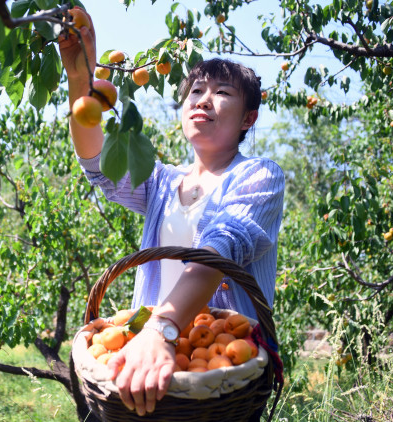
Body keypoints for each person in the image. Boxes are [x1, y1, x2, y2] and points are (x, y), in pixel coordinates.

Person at [59, 8, 285, 418]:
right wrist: (80, 82)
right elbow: (97, 165)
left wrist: (161, 331)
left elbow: (222, 245)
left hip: (221, 376)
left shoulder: (259, 176)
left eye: (223, 92)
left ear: (248, 118)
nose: (203, 99)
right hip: (148, 360)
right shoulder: (161, 182)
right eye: (195, 91)